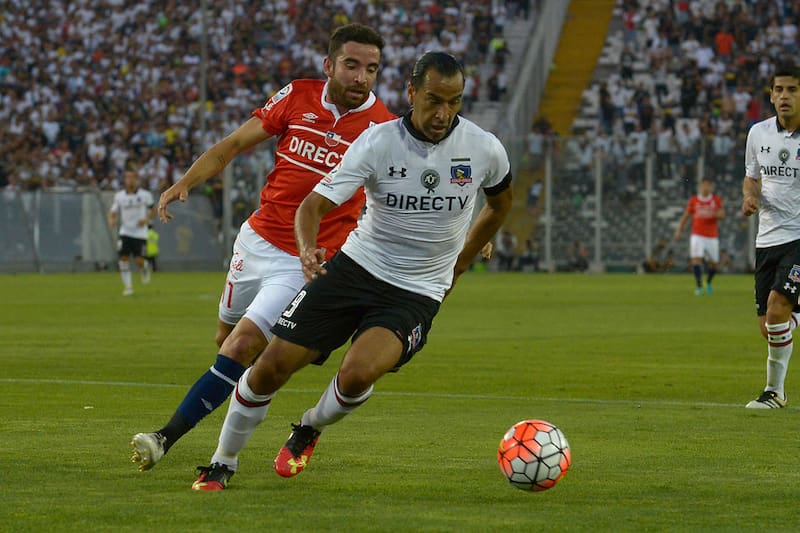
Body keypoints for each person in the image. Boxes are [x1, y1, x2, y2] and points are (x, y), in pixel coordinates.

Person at [190, 51, 513, 491]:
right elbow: (314, 205)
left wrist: (459, 262)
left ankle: (307, 428)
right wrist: (307, 251)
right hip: (355, 268)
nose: (443, 114)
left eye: (454, 102)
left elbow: (498, 206)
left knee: (359, 372)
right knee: (270, 366)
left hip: (415, 291)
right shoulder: (378, 141)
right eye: (434, 100)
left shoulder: (484, 148)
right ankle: (223, 461)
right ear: (412, 92)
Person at [130, 23, 395, 471]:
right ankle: (302, 345)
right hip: (254, 242)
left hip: (303, 259)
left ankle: (165, 437)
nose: (361, 78)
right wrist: (185, 182)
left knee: (241, 346)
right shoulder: (295, 95)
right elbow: (233, 144)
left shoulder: (383, 129)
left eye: (371, 69)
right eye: (351, 65)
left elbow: (405, 195)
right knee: (225, 340)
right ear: (329, 65)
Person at [741, 62, 800, 409]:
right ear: (771, 95)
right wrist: (750, 196)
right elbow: (752, 176)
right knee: (771, 326)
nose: (784, 96)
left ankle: (774, 392)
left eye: (792, 89)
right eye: (779, 90)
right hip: (767, 240)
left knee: (778, 309)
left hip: (799, 237)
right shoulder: (758, 133)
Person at [672, 178, 724, 295]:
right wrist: (679, 230)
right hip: (697, 235)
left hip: (712, 235)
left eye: (708, 185)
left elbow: (722, 215)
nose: (705, 187)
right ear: (700, 186)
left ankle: (709, 282)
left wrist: (714, 214)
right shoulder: (694, 200)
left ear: (711, 187)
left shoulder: (715, 200)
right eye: (703, 185)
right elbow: (686, 215)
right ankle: (699, 286)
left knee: (714, 263)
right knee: (696, 259)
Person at [108, 169, 155, 296]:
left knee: (138, 261)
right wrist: (112, 220)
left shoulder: (145, 195)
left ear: (136, 179)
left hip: (140, 233)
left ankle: (145, 267)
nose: (129, 180)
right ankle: (128, 287)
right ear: (125, 180)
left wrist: (146, 219)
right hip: (125, 232)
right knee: (123, 259)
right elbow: (113, 212)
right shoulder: (119, 196)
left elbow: (153, 210)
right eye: (127, 177)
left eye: (132, 177)